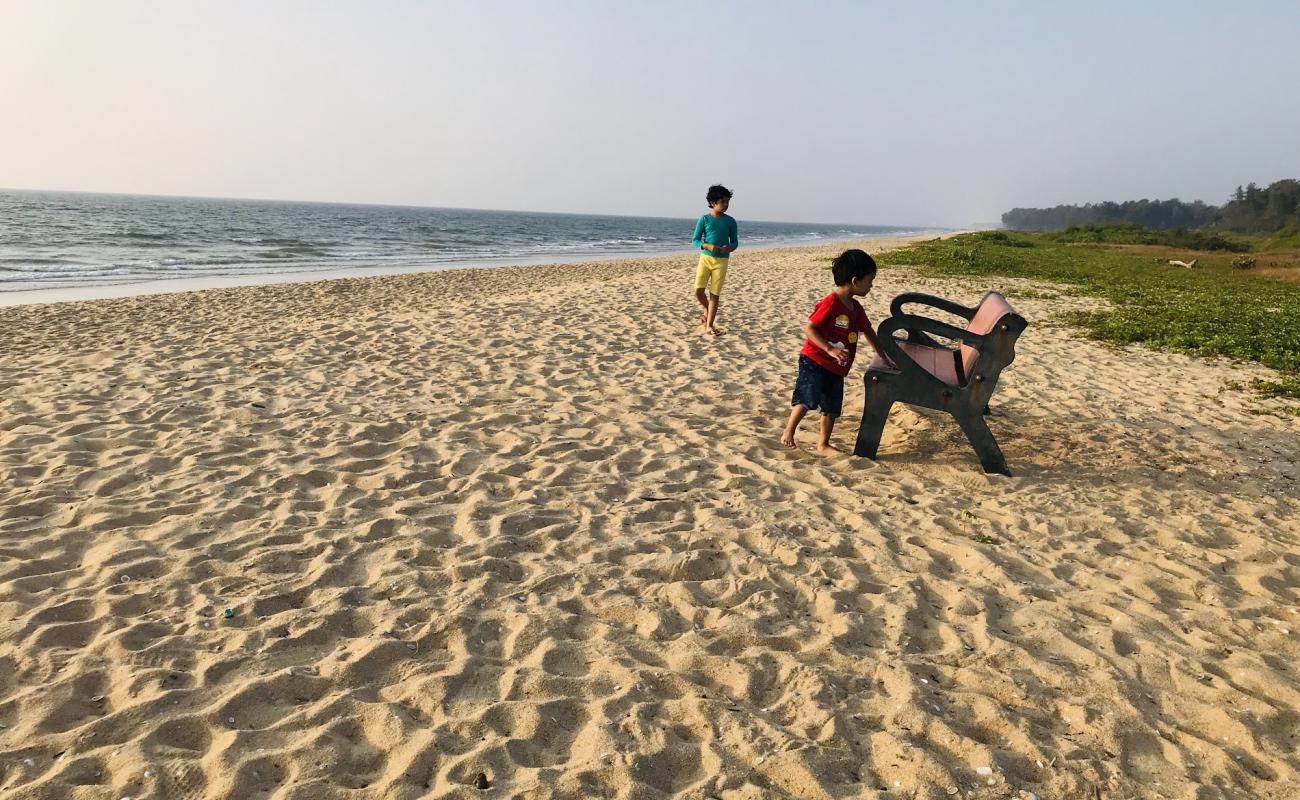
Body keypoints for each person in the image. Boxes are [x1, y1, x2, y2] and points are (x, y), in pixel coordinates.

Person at [780, 249, 893, 452]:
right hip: (814, 360)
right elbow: (810, 328)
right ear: (855, 281)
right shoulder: (831, 302)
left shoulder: (856, 308)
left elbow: (868, 332)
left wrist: (883, 355)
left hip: (837, 367)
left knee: (832, 406)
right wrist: (829, 349)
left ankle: (823, 443)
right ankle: (789, 430)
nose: (871, 286)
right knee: (808, 396)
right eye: (870, 281)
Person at [691, 184, 738, 336]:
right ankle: (707, 309)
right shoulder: (704, 219)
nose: (726, 205)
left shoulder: (731, 221)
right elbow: (695, 240)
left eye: (727, 202)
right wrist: (707, 245)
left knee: (714, 295)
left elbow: (735, 243)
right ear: (713, 203)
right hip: (705, 259)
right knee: (698, 291)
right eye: (722, 202)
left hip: (722, 261)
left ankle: (709, 325)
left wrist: (728, 248)